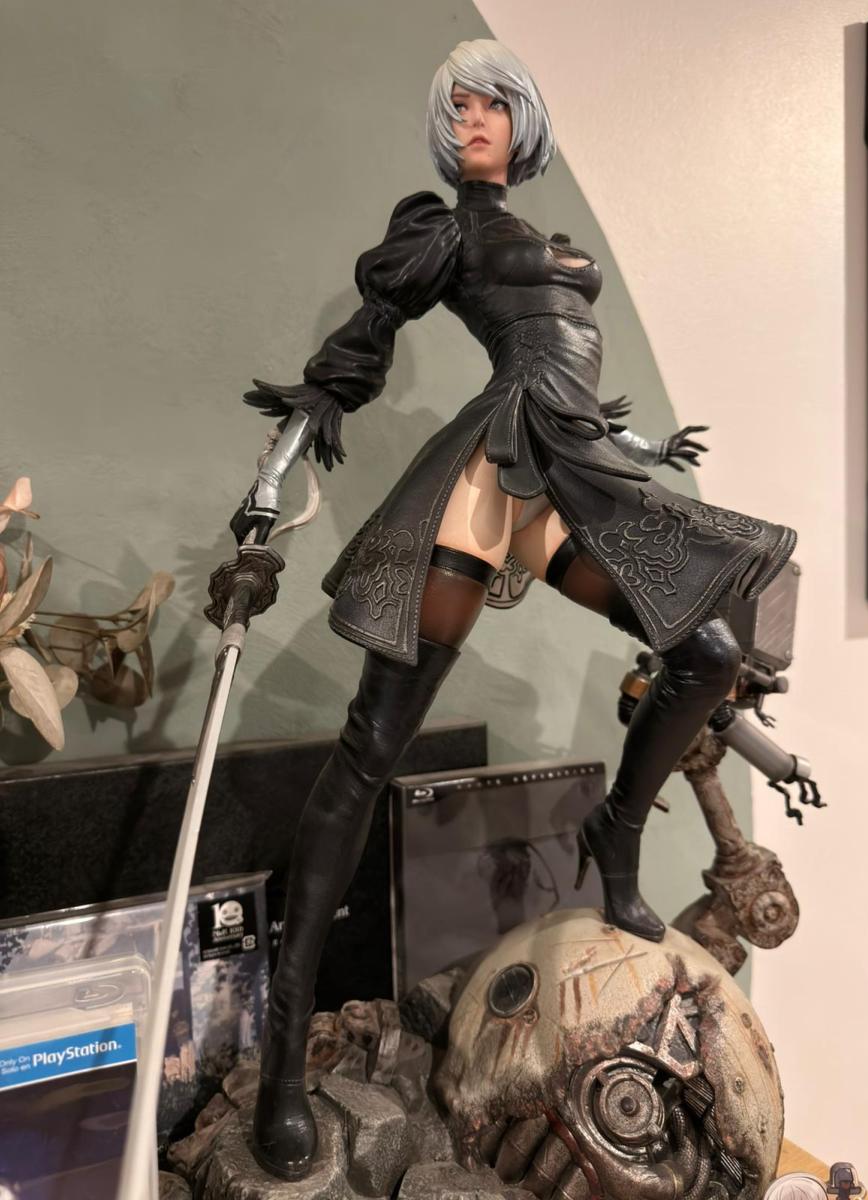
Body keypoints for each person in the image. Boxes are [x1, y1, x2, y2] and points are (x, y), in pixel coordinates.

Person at [228, 38, 797, 1181]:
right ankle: (285, 1042)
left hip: (572, 469)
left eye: (493, 101)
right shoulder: (445, 231)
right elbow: (351, 361)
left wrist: (643, 445)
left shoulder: (547, 241)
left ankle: (615, 833)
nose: (474, 117)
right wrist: (262, 499)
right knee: (372, 747)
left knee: (708, 651)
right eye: (459, 106)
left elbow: (570, 367)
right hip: (491, 474)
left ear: (523, 117)